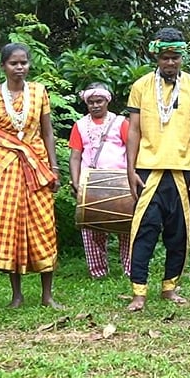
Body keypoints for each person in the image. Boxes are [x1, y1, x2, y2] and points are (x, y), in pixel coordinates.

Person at [124, 27, 190, 312]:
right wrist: (129, 166)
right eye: (165, 57)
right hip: (147, 169)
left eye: (175, 57)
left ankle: (170, 286)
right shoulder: (141, 86)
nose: (170, 63)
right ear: (156, 57)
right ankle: (138, 292)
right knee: (143, 231)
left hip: (183, 170)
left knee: (179, 233)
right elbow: (133, 130)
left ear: (182, 57)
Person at [0, 43, 63, 309]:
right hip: (3, 166)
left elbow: (48, 132)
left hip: (37, 167)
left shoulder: (39, 92)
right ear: (3, 66)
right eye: (14, 63)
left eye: (24, 63)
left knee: (43, 224)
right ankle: (16, 295)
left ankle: (47, 295)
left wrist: (54, 168)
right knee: (11, 227)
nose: (19, 68)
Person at [69, 82, 132, 279]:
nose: (95, 105)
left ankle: (130, 270)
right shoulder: (79, 125)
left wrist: (133, 177)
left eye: (99, 101)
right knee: (91, 229)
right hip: (90, 184)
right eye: (91, 102)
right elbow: (75, 156)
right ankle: (98, 272)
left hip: (120, 182)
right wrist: (75, 181)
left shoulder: (121, 122)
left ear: (107, 101)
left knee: (127, 228)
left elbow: (132, 150)